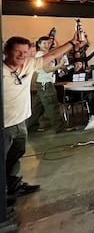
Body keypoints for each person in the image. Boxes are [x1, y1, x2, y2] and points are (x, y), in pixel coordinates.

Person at [3, 32, 84, 198]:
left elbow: (53, 54)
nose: (22, 56)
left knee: (16, 155)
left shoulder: (28, 65)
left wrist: (71, 42)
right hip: (4, 125)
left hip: (20, 123)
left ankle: (13, 185)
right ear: (7, 52)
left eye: (25, 52)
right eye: (18, 52)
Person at [28, 36, 66, 133]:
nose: (47, 45)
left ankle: (31, 127)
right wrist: (59, 66)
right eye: (44, 43)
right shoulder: (40, 54)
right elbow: (46, 69)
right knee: (52, 105)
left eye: (48, 43)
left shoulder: (47, 54)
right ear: (39, 44)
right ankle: (60, 128)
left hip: (43, 83)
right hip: (45, 84)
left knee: (37, 107)